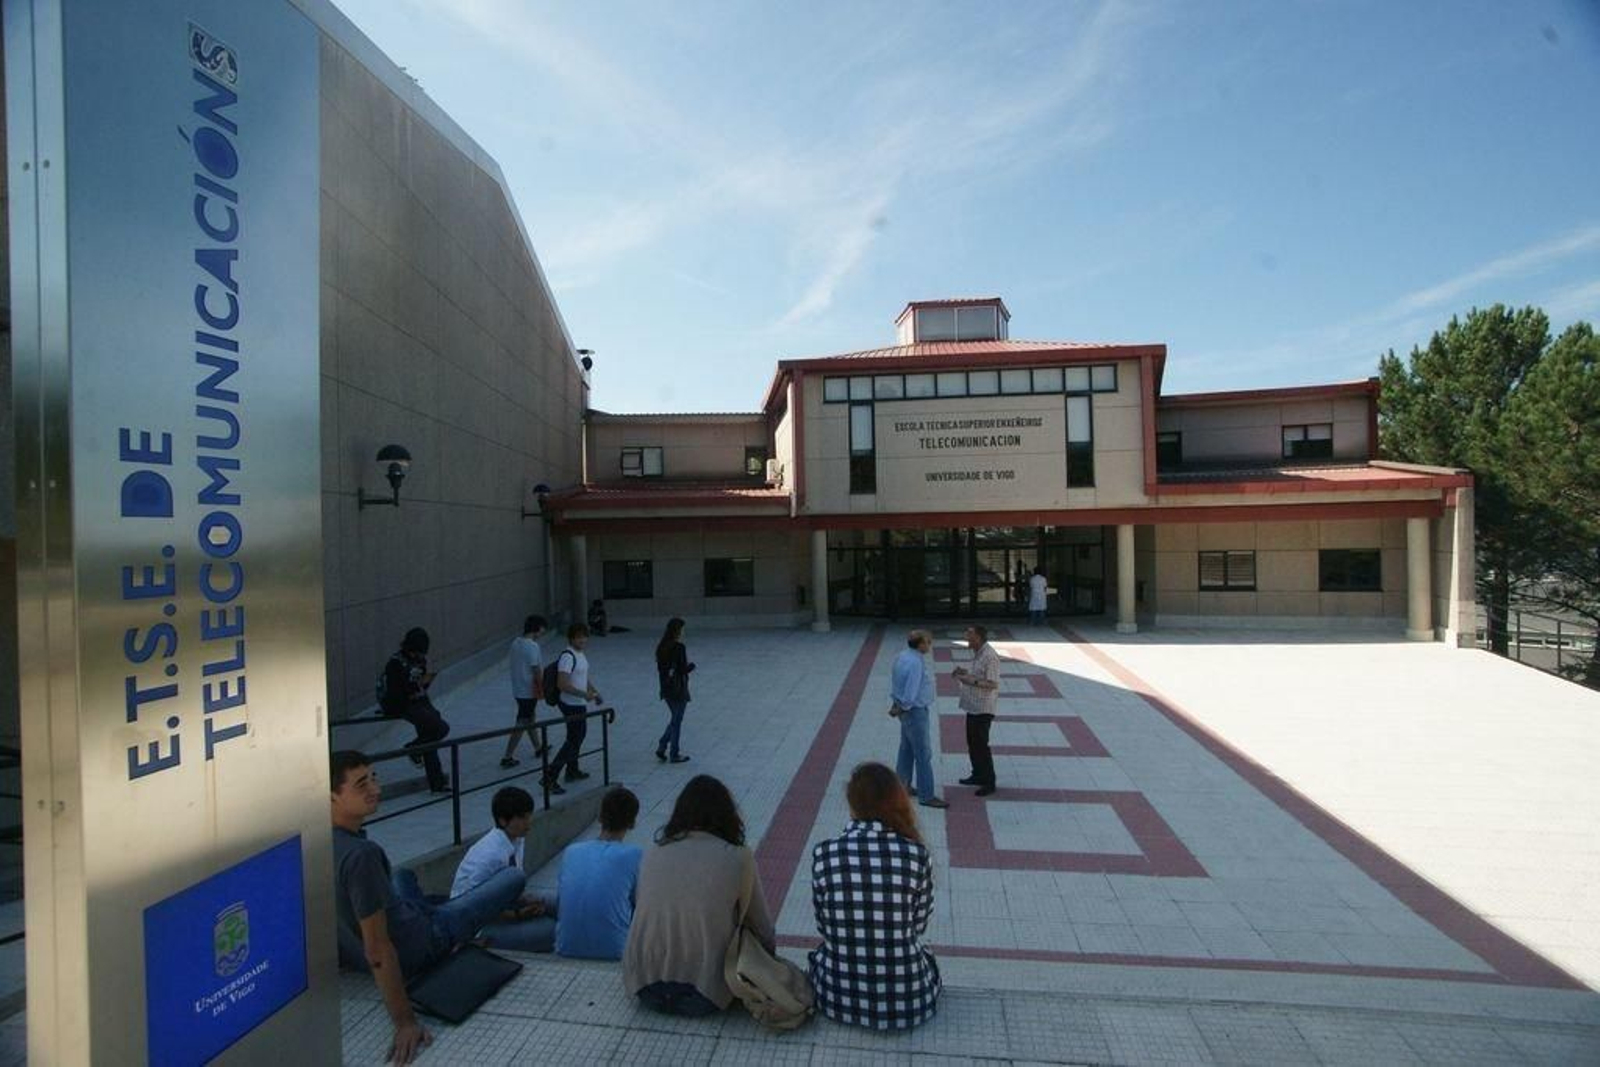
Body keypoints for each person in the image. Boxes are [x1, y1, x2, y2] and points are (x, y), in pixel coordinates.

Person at [331, 750, 526, 1065]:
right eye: (362, 784)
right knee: (512, 878)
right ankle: (450, 922)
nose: (376, 789)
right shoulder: (361, 855)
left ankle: (434, 906)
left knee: (403, 876)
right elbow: (378, 949)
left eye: (374, 779)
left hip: (403, 920)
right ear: (330, 796)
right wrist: (405, 1022)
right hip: (425, 940)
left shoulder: (315, 842)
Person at [623, 775, 775, 1016]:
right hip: (705, 993)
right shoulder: (737, 857)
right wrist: (768, 969)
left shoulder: (654, 851)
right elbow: (762, 926)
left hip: (644, 987)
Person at [809, 762, 940, 1030]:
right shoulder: (916, 854)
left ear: (852, 804)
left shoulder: (825, 854)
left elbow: (824, 926)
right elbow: (919, 926)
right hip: (910, 1002)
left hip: (836, 998)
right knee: (926, 955)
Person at [449, 786, 559, 952]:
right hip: (477, 926)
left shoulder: (517, 839)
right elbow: (475, 908)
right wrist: (517, 915)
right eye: (522, 818)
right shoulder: (490, 855)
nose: (528, 822)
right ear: (503, 821)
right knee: (551, 930)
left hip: (505, 905)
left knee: (560, 902)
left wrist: (526, 902)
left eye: (529, 816)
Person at [556, 787, 643, 960]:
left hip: (565, 947)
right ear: (632, 823)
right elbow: (640, 904)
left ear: (600, 817)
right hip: (615, 951)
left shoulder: (572, 851)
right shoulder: (635, 855)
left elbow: (561, 902)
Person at [380, 627, 450, 792]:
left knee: (433, 730)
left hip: (418, 699)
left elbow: (420, 682)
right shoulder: (396, 663)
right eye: (416, 653)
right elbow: (394, 691)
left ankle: (435, 780)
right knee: (437, 728)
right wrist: (411, 689)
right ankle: (415, 751)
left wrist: (424, 683)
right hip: (401, 703)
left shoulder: (420, 660)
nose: (419, 656)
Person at [890, 629, 946, 809]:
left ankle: (902, 787)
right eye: (928, 642)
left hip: (905, 710)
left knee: (906, 749)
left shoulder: (902, 656)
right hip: (914, 711)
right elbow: (911, 691)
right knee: (923, 754)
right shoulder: (916, 662)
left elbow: (896, 682)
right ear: (920, 644)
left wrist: (896, 704)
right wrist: (903, 706)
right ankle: (926, 795)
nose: (930, 645)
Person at [544, 623, 601, 795]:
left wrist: (593, 692)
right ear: (571, 638)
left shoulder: (580, 654)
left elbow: (583, 676)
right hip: (571, 704)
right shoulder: (567, 657)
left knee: (577, 737)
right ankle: (550, 776)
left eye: (584, 636)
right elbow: (562, 684)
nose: (582, 640)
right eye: (578, 637)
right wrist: (584, 694)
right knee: (573, 739)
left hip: (579, 703)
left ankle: (572, 770)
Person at [952, 623, 1001, 797]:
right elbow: (979, 674)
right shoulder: (978, 653)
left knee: (981, 745)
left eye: (969, 634)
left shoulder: (990, 656)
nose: (966, 637)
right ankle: (977, 774)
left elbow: (993, 683)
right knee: (972, 743)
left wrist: (970, 681)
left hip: (983, 708)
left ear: (978, 637)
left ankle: (989, 782)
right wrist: (964, 673)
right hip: (972, 706)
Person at [501, 614, 549, 769]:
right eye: (542, 628)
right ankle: (507, 756)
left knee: (529, 718)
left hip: (518, 689)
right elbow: (536, 670)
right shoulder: (533, 646)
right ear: (537, 628)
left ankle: (538, 748)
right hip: (528, 690)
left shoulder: (516, 642)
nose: (543, 632)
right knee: (522, 722)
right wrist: (543, 687)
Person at [654, 617, 695, 763]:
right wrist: (691, 667)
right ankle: (673, 753)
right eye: (682, 629)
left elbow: (661, 670)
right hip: (679, 688)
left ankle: (663, 746)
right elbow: (682, 669)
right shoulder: (679, 647)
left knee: (675, 718)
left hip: (666, 688)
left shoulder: (661, 647)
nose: (683, 632)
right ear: (678, 631)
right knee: (677, 720)